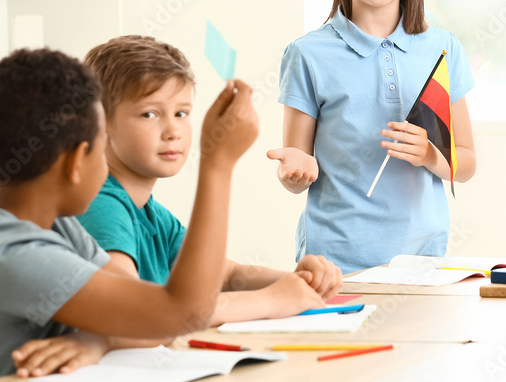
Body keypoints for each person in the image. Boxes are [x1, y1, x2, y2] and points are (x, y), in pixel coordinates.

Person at [0, 48, 271, 382]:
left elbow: (146, 314)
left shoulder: (57, 227)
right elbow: (182, 310)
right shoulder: (12, 254)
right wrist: (218, 164)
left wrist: (98, 339)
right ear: (77, 161)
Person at [268, 0, 477, 272]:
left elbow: (465, 163)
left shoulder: (443, 48)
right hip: (333, 263)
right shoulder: (307, 54)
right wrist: (296, 171)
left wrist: (431, 154)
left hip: (423, 260)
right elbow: (296, 171)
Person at [77, 35, 341, 324]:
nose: (173, 131)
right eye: (150, 114)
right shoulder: (101, 204)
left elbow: (226, 275)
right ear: (97, 123)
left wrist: (299, 282)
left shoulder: (151, 214)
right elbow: (134, 313)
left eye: (181, 113)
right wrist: (271, 299)